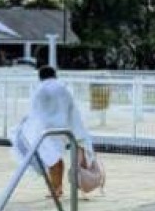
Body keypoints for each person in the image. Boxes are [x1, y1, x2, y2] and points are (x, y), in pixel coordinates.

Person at [11, 66, 95, 198]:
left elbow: (35, 111)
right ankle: (71, 187)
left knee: (53, 159)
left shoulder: (40, 89)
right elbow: (72, 109)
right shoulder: (64, 88)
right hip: (64, 129)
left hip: (46, 130)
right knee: (58, 157)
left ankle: (57, 188)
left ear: (40, 77)